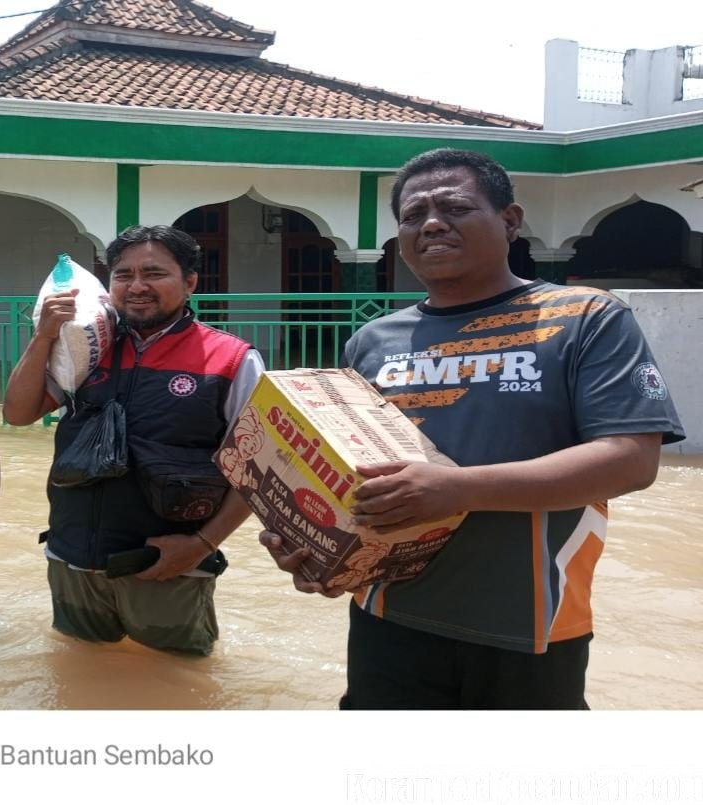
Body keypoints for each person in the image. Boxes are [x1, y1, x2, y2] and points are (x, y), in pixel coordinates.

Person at [261, 148, 685, 708]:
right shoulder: (372, 342)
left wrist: (460, 489)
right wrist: (311, 542)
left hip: (528, 625)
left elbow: (630, 459)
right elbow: (341, 472)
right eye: (413, 215)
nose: (431, 224)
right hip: (386, 614)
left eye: (455, 208)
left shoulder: (586, 318)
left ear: (510, 221)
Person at [3, 225, 265, 655]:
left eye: (154, 273)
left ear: (190, 282)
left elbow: (260, 467)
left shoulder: (231, 358)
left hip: (166, 565)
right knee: (79, 669)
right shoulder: (87, 345)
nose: (137, 286)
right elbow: (17, 413)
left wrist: (201, 545)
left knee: (177, 677)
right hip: (72, 558)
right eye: (123, 275)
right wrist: (44, 336)